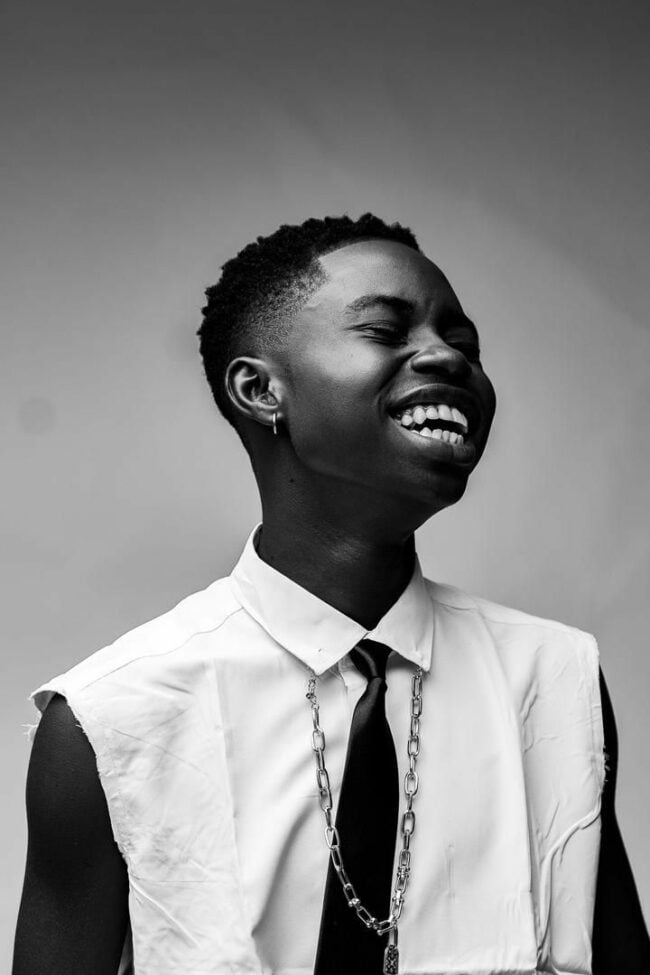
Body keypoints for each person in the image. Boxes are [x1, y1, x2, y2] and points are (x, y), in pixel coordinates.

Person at [13, 213, 650, 975]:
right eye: (385, 330)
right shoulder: (112, 719)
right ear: (260, 390)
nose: (447, 356)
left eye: (465, 343)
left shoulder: (554, 678)